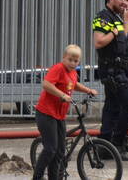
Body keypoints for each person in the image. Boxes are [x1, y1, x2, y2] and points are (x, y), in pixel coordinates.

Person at [33, 44, 98, 180]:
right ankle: (37, 177)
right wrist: (62, 95)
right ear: (64, 58)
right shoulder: (58, 69)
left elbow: (73, 85)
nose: (73, 63)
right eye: (70, 60)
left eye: (76, 61)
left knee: (60, 152)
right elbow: (46, 84)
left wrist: (88, 90)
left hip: (59, 115)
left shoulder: (73, 72)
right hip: (46, 113)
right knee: (51, 149)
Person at [92, 0, 128, 161]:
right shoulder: (104, 17)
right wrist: (123, 25)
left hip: (127, 69)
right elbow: (99, 42)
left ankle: (110, 143)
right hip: (112, 69)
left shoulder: (125, 16)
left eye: (127, 0)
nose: (125, 3)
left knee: (114, 107)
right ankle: (116, 143)